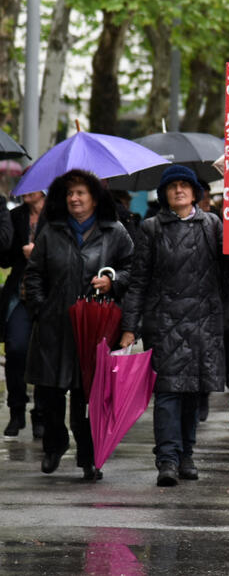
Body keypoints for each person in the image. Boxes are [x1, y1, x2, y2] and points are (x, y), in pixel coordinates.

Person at [120, 165, 229, 487]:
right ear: (164, 194)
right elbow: (138, 282)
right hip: (163, 323)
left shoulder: (212, 224)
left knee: (193, 391)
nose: (179, 190)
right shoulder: (151, 228)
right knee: (167, 392)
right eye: (172, 186)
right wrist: (130, 327)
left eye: (185, 185)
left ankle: (187, 455)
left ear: (195, 193)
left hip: (203, 322)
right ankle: (167, 459)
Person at [23, 170, 133, 479]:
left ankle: (89, 457)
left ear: (94, 198)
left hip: (95, 326)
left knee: (88, 395)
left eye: (81, 193)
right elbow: (34, 274)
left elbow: (133, 269)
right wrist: (42, 308)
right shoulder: (51, 232)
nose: (74, 198)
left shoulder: (114, 231)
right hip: (55, 325)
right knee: (50, 393)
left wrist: (113, 281)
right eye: (70, 193)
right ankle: (54, 445)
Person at [1, 190, 35, 437]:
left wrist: (40, 252)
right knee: (15, 348)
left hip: (50, 296)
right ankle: (17, 409)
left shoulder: (57, 215)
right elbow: (4, 257)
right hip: (20, 294)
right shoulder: (17, 216)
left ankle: (42, 415)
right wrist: (19, 252)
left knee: (46, 354)